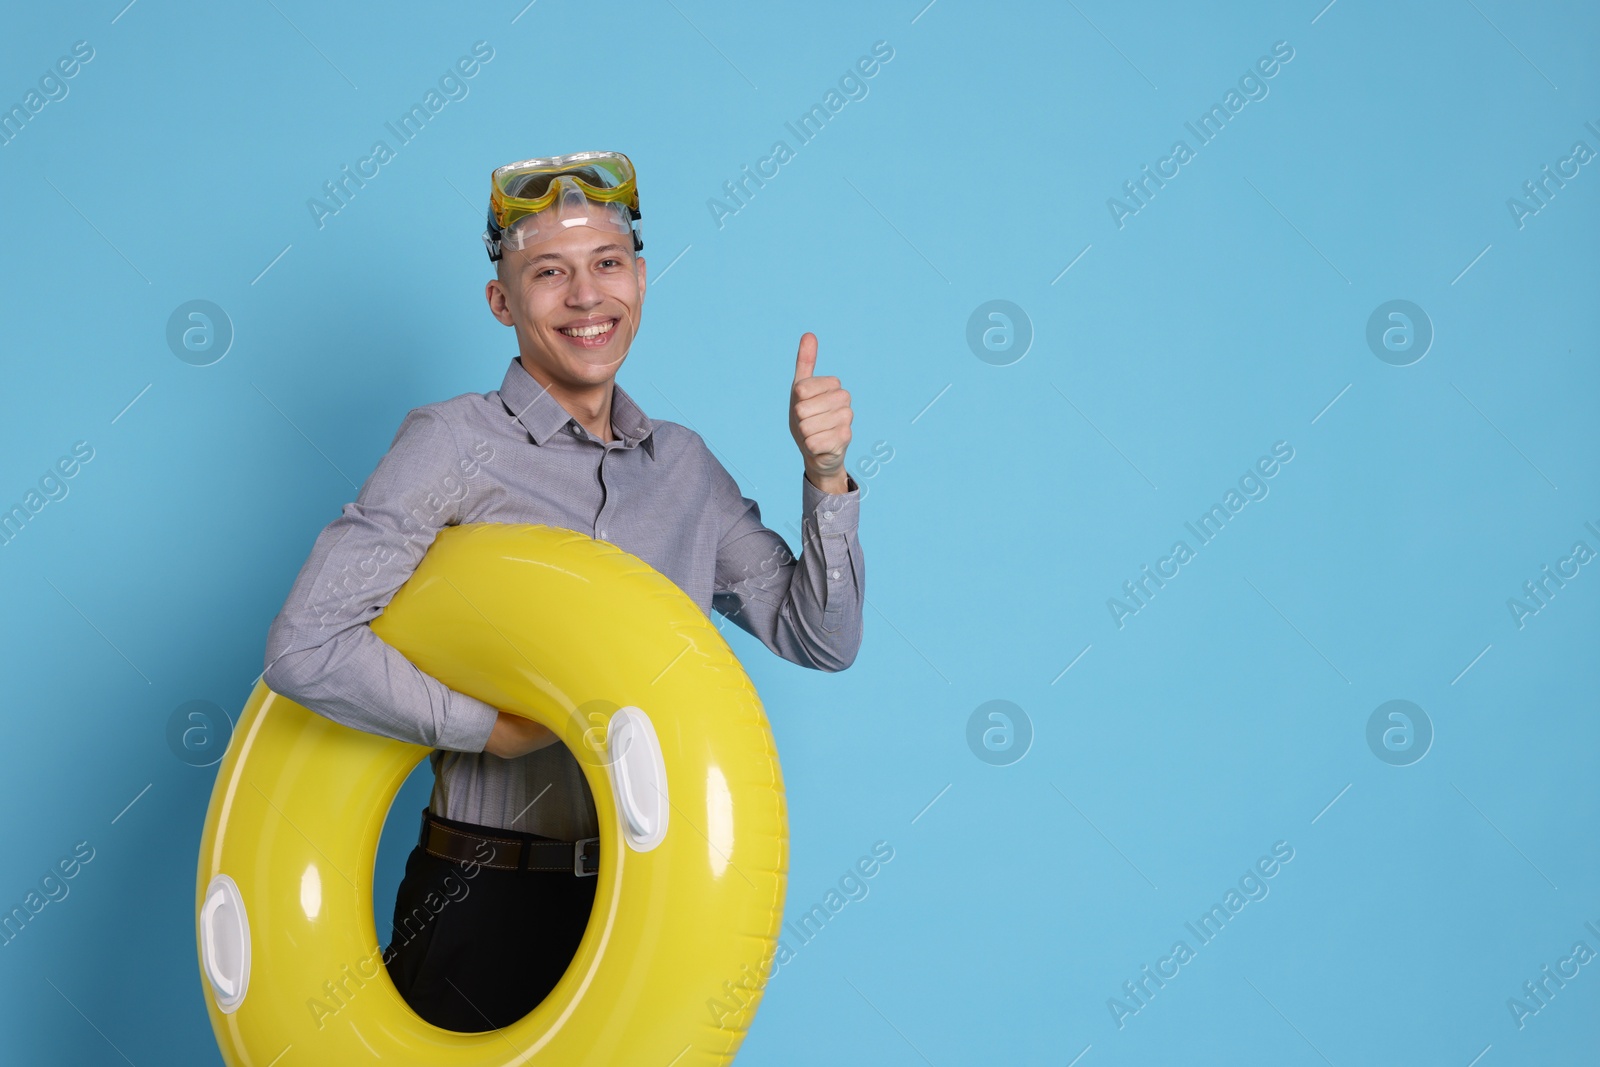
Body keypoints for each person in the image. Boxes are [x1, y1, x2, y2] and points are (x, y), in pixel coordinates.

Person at [260, 150, 865, 1033]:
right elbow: (303, 646)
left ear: (642, 281)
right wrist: (486, 730)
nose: (587, 297)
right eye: (550, 272)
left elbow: (823, 636)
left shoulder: (685, 470)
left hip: (643, 900)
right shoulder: (452, 444)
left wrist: (828, 475)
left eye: (607, 264)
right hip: (476, 899)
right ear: (503, 302)